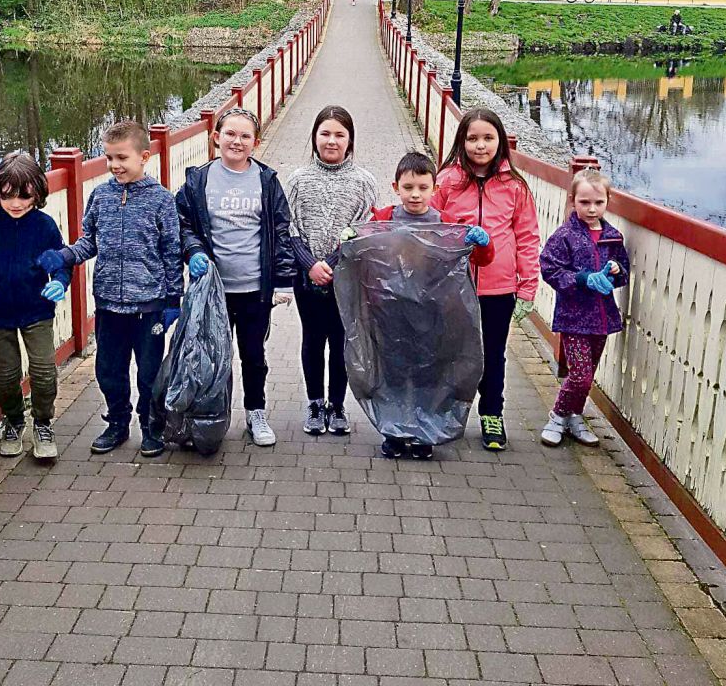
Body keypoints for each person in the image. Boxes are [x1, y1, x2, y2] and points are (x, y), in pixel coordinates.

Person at [37, 120, 182, 457]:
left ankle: (151, 426)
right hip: (108, 305)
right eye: (109, 158)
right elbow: (89, 242)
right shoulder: (101, 196)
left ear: (143, 156)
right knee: (108, 371)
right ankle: (117, 422)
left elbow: (172, 252)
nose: (115, 165)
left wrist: (173, 299)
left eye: (122, 158)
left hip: (149, 306)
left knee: (149, 374)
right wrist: (64, 256)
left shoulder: (161, 200)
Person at [177, 107, 295, 448]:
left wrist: (284, 280)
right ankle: (208, 417)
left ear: (255, 142)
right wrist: (193, 251)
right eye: (230, 134)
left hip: (255, 289)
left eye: (245, 136)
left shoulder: (266, 181)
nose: (237, 141)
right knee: (211, 355)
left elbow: (281, 230)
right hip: (212, 289)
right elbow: (183, 224)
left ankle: (256, 412)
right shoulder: (198, 180)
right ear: (216, 137)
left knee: (253, 355)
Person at [365, 151, 494, 459]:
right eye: (408, 187)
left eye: (423, 188)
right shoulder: (383, 219)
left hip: (434, 313)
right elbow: (362, 250)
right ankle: (394, 431)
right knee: (395, 372)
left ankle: (425, 431)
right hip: (392, 310)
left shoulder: (446, 223)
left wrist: (483, 244)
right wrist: (351, 238)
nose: (415, 194)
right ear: (395, 187)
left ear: (435, 188)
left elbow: (481, 259)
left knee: (429, 372)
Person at [431, 107, 540, 452]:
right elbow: (430, 227)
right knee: (450, 352)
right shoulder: (447, 180)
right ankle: (443, 413)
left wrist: (527, 287)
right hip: (454, 286)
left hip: (498, 288)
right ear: (461, 141)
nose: (480, 145)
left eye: (488, 138)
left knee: (493, 355)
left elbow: (527, 237)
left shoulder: (515, 186)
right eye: (473, 138)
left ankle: (492, 413)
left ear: (500, 142)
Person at [0, 151, 70, 460]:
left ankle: (43, 423)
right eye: (8, 196)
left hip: (36, 310)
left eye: (25, 196)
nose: (16, 203)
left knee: (44, 371)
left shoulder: (44, 227)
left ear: (38, 193)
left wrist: (59, 281)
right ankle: (13, 420)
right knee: (6, 376)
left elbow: (60, 263)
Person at [287, 105, 378, 437]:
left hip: (347, 278)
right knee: (313, 339)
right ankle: (315, 402)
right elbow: (290, 229)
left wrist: (334, 262)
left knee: (342, 341)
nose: (331, 141)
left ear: (350, 140)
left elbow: (365, 228)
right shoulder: (297, 180)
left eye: (340, 134)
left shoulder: (363, 182)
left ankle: (337, 405)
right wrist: (310, 264)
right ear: (314, 137)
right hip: (307, 278)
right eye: (325, 133)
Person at [538, 168, 630, 447]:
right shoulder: (565, 235)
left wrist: (615, 271)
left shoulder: (613, 237)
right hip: (574, 318)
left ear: (608, 201)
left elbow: (624, 272)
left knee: (588, 375)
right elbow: (550, 269)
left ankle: (574, 416)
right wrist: (582, 279)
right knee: (579, 375)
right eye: (585, 202)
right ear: (573, 200)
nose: (592, 209)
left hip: (601, 318)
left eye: (598, 202)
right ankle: (557, 416)